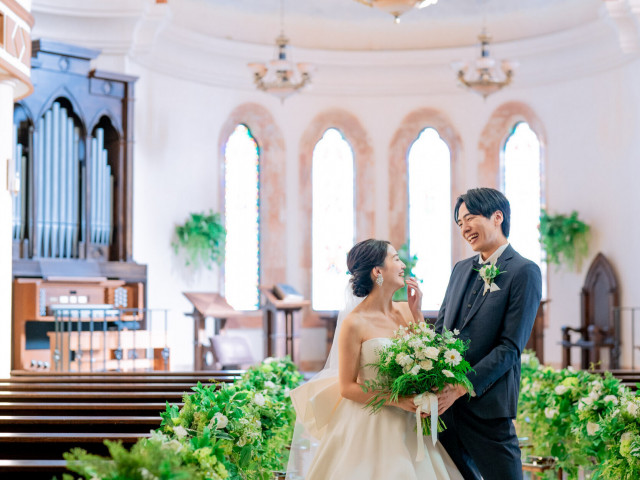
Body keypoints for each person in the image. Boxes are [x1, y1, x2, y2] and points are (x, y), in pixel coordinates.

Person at [287, 239, 463, 480]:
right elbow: (347, 387)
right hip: (369, 421)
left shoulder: (405, 310)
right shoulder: (354, 322)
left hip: (408, 422)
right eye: (395, 259)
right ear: (377, 271)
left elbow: (426, 359)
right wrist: (396, 400)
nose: (402, 265)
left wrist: (418, 312)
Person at [425, 188, 542, 480]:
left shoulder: (524, 271)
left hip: (488, 407)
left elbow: (509, 348)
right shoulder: (460, 269)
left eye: (470, 218)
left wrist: (461, 387)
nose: (464, 227)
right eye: (459, 222)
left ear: (497, 217)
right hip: (446, 412)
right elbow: (441, 331)